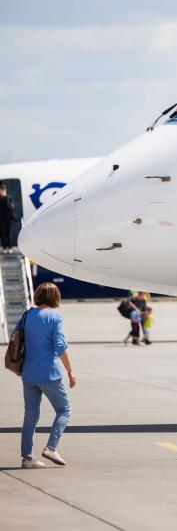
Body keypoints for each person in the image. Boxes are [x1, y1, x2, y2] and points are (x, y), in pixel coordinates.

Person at [19, 282, 76, 469]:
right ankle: (51, 447)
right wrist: (70, 371)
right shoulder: (55, 316)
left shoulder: (27, 315)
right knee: (64, 410)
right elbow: (60, 346)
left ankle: (27, 458)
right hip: (49, 374)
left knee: (30, 415)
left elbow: (17, 338)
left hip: (28, 373)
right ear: (55, 297)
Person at [0, 182, 17, 253]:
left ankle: (9, 247)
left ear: (5, 190)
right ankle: (4, 247)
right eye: (1, 190)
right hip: (1, 219)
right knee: (3, 234)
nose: (2, 191)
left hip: (8, 219)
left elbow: (12, 208)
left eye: (3, 190)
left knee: (9, 234)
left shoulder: (9, 197)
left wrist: (14, 217)